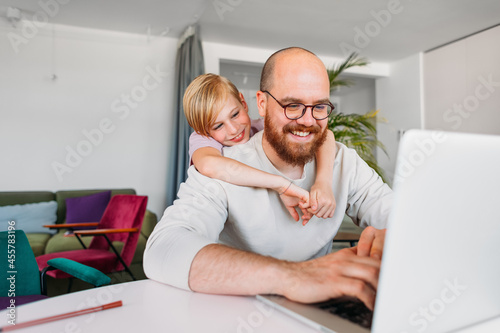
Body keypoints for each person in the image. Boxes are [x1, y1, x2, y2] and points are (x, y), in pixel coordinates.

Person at [144, 47, 393, 310]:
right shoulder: (222, 169)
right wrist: (295, 277)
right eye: (292, 105)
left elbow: (403, 220)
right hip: (238, 315)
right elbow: (164, 249)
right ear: (261, 103)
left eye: (319, 106)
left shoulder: (345, 163)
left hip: (319, 311)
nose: (307, 121)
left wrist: (395, 239)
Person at [183, 73, 337, 223]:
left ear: (243, 103)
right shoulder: (203, 138)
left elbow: (327, 136)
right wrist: (281, 184)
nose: (233, 129)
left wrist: (323, 182)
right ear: (203, 130)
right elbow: (208, 164)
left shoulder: (262, 128)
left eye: (235, 114)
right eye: (218, 126)